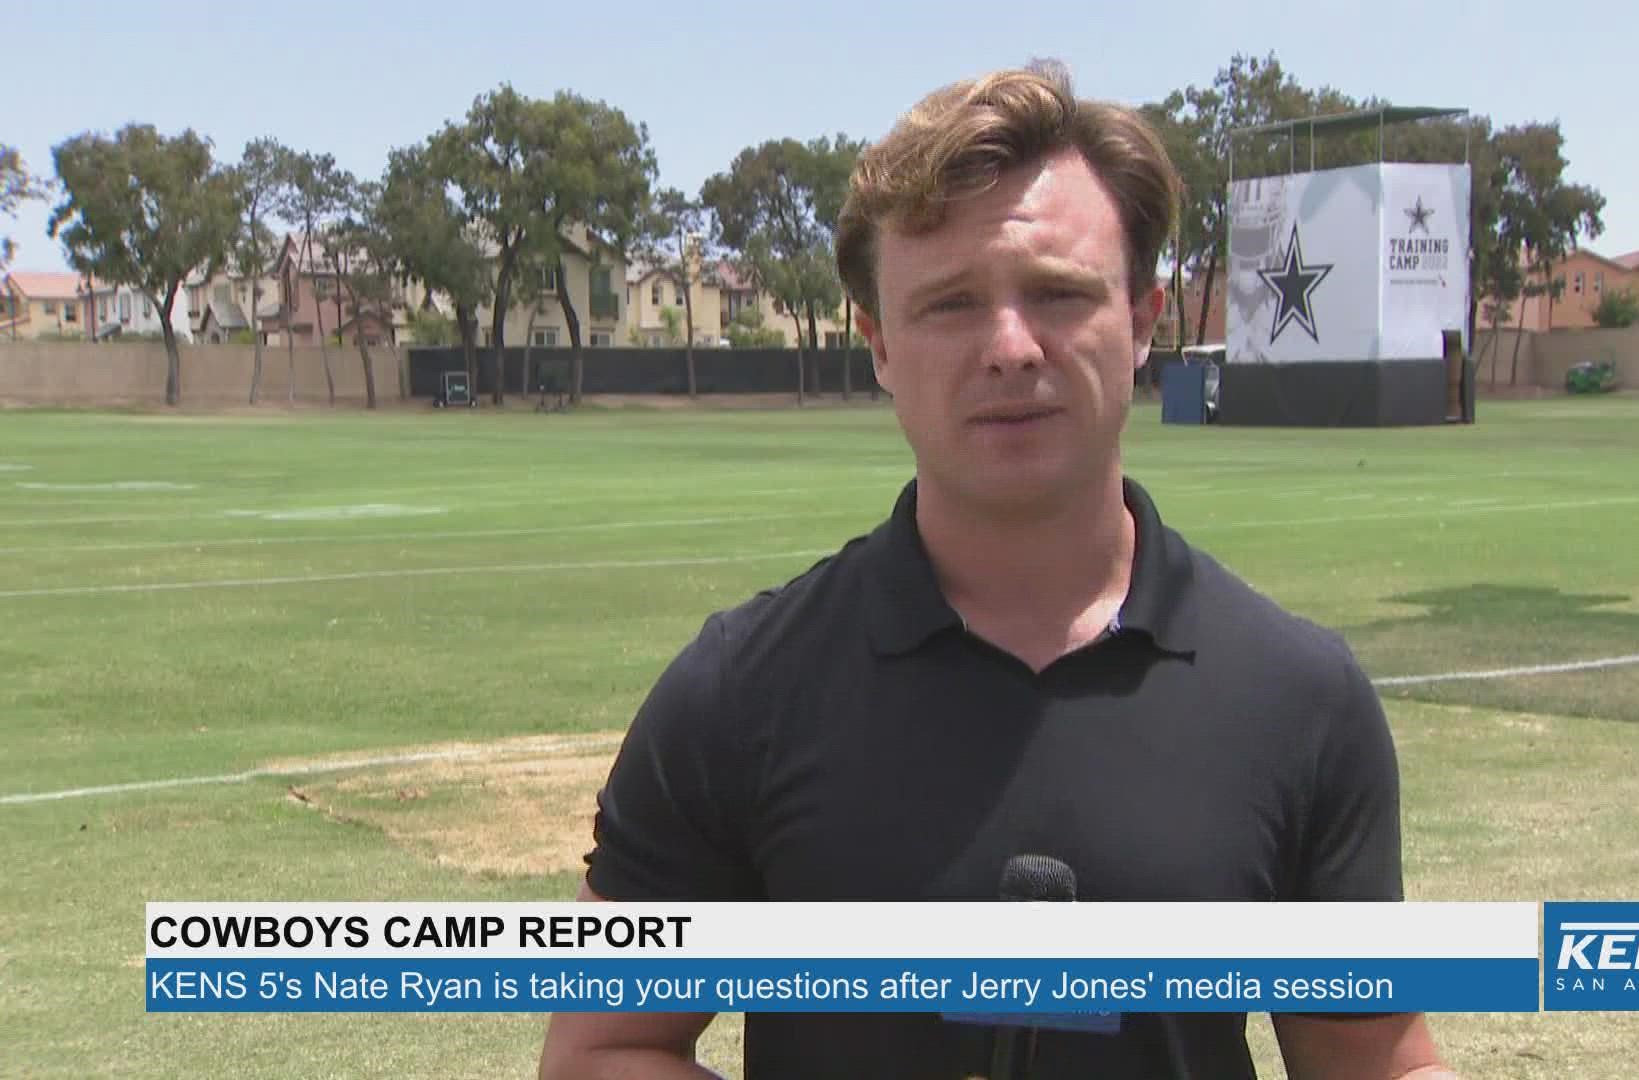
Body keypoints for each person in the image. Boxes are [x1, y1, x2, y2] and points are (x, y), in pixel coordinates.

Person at [539, 63, 1454, 1080]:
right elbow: (606, 1049)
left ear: (1145, 320)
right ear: (879, 344)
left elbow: (1380, 1060)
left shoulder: (1297, 698)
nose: (1011, 348)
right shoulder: (739, 691)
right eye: (950, 306)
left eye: (1058, 295)